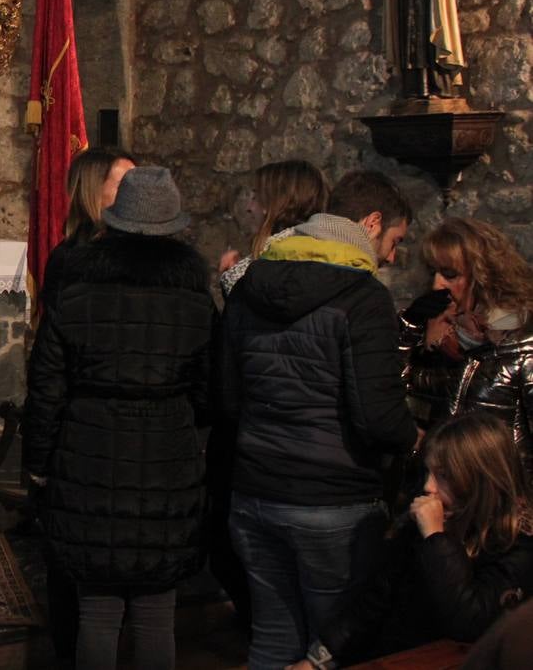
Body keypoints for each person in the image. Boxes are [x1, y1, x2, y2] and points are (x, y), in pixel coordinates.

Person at [215, 169, 420, 670]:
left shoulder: (250, 281)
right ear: (370, 224)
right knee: (335, 649)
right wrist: (412, 436)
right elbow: (377, 418)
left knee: (271, 639)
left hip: (255, 490)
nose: (393, 256)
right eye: (394, 240)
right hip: (331, 502)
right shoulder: (364, 297)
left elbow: (225, 397)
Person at [24, 166, 217, 670]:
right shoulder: (196, 303)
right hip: (168, 464)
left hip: (87, 460)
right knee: (157, 613)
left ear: (114, 223)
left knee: (97, 611)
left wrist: (38, 465)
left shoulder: (77, 294)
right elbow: (210, 393)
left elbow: (46, 388)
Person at [288, 412, 533, 669]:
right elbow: (375, 600)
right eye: (428, 472)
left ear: (480, 480)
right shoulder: (424, 523)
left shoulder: (516, 541)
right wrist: (319, 659)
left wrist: (436, 538)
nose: (428, 486)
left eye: (444, 476)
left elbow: (469, 623)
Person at [31, 145, 134, 657]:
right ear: (95, 193)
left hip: (126, 438)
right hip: (82, 434)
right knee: (75, 577)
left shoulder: (141, 260)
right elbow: (54, 367)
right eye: (124, 183)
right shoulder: (72, 260)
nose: (134, 194)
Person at [400, 218, 533, 473]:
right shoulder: (430, 333)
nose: (437, 284)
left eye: (450, 274)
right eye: (433, 273)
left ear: (483, 275)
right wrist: (409, 328)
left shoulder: (520, 342)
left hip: (500, 498)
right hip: (438, 491)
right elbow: (391, 394)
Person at [217, 159, 329, 296]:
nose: (250, 208)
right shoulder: (328, 257)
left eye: (256, 197)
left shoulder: (258, 276)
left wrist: (235, 280)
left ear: (271, 205)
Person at [39, 147, 135, 306]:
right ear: (93, 190)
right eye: (125, 185)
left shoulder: (147, 251)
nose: (137, 192)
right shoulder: (68, 260)